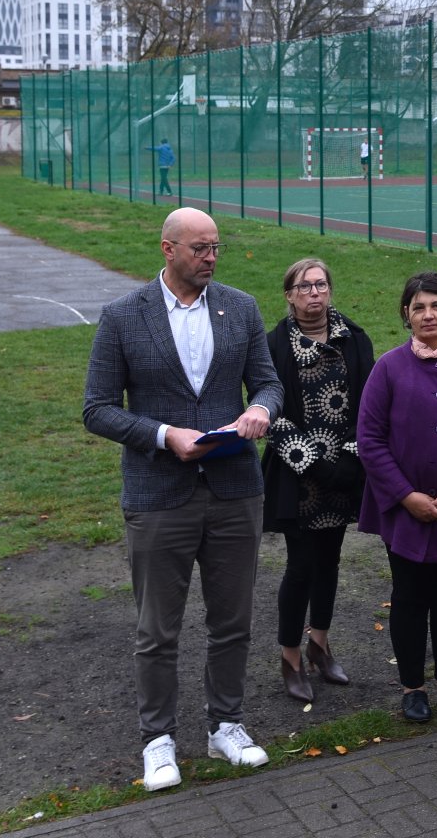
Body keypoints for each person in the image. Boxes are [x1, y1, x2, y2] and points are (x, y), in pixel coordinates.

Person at [82, 207, 282, 792]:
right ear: (167, 249)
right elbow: (97, 408)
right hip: (159, 494)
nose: (211, 257)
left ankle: (227, 724)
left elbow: (267, 380)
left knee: (233, 620)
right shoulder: (123, 317)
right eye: (200, 248)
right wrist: (163, 436)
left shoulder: (240, 306)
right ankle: (158, 738)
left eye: (216, 247)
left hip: (234, 490)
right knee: (157, 629)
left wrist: (260, 409)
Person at [356, 271, 437, 723]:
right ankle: (413, 686)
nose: (428, 314)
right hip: (404, 512)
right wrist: (405, 495)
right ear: (406, 316)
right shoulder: (389, 367)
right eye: (418, 307)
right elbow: (370, 439)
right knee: (409, 596)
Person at [263, 258, 373, 706]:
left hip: (344, 472)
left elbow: (369, 403)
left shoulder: (355, 338)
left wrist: (349, 461)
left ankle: (320, 644)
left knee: (330, 563)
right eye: (303, 286)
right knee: (301, 567)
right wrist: (312, 462)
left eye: (321, 284)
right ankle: (291, 657)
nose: (314, 293)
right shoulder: (273, 345)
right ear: (289, 295)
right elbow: (269, 409)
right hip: (298, 478)